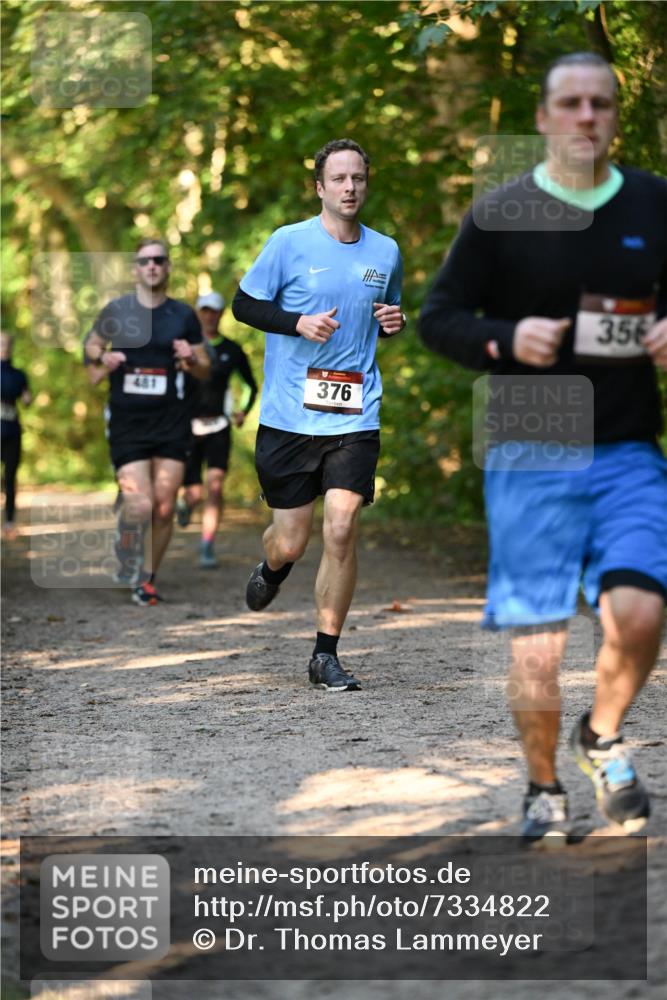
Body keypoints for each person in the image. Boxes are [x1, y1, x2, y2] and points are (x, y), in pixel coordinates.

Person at [419, 52, 666, 841]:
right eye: (570, 103)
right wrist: (501, 339)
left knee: (639, 609)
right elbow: (437, 317)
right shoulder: (500, 213)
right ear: (542, 117)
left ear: (614, 116)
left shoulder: (655, 204)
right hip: (532, 443)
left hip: (627, 439)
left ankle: (600, 735)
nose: (585, 116)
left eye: (600, 103)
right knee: (536, 651)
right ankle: (541, 786)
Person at [232, 138, 405, 691]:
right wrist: (296, 323)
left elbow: (380, 317)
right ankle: (272, 568)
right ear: (320, 187)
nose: (350, 187)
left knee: (342, 526)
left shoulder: (385, 252)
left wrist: (390, 323)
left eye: (358, 178)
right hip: (289, 415)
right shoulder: (288, 243)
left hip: (355, 413)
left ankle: (324, 654)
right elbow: (244, 305)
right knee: (291, 541)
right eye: (339, 179)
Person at [84, 238, 210, 605]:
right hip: (128, 422)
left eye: (158, 260)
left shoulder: (183, 315)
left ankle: (147, 578)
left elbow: (204, 369)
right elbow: (90, 348)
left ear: (167, 267)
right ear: (135, 269)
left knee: (165, 505)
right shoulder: (117, 310)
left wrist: (191, 357)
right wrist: (102, 358)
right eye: (144, 261)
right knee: (140, 504)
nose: (152, 266)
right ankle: (126, 536)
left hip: (172, 420)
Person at [175, 291, 258, 568]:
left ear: (222, 314)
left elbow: (251, 385)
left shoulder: (232, 350)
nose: (209, 316)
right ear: (198, 313)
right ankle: (186, 504)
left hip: (219, 425)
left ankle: (207, 544)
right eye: (204, 311)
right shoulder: (184, 347)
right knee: (195, 493)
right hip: (187, 425)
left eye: (214, 311)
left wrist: (243, 412)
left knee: (215, 485)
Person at [1, 332, 31, 539]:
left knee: (10, 477)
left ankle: (9, 521)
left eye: (7, 344)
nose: (4, 347)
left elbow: (26, 397)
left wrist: (28, 398)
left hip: (12, 430)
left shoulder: (19, 374)